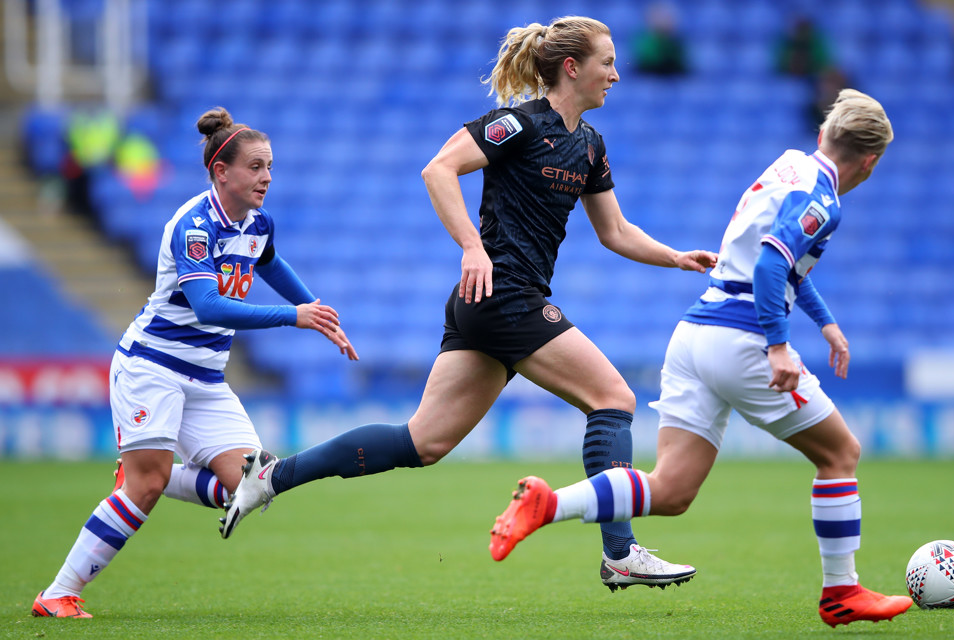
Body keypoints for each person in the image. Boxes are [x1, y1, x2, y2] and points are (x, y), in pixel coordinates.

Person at [219, 16, 717, 591]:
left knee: (422, 442)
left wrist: (675, 256)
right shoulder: (518, 124)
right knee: (613, 398)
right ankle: (620, 552)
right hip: (503, 292)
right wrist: (472, 246)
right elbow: (440, 169)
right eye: (607, 62)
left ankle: (273, 477)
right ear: (573, 68)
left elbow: (616, 231)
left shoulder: (590, 145)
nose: (617, 74)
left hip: (493, 302)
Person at [489, 89, 913, 628]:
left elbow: (778, 262)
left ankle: (547, 505)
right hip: (743, 339)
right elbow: (770, 264)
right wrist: (779, 344)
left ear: (822, 136)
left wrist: (825, 322)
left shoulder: (789, 167)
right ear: (870, 163)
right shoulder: (824, 201)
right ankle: (842, 592)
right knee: (840, 455)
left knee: (670, 490)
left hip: (695, 332)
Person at [30, 107, 358, 619]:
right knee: (147, 487)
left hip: (205, 377)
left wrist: (319, 311)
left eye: (270, 166)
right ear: (220, 172)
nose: (267, 177)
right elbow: (208, 306)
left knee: (255, 483)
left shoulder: (255, 222)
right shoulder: (195, 226)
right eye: (256, 166)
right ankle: (58, 593)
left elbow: (270, 262)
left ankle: (141, 471)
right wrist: (293, 317)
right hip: (153, 367)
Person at [631, 2, 688, 76]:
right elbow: (643, 65)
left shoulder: (678, 44)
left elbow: (683, 67)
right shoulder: (643, 43)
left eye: (667, 18)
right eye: (659, 17)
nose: (663, 21)